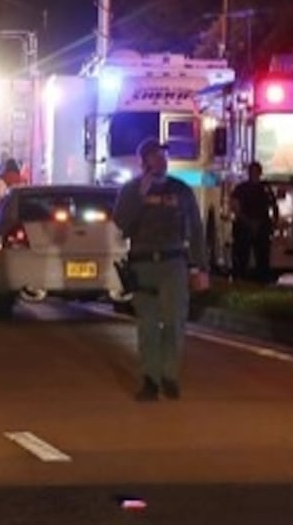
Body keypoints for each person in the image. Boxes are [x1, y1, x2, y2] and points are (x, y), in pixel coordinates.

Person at [112, 138, 209, 402]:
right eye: (155, 156)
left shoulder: (181, 190)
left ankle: (170, 375)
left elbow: (196, 230)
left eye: (164, 156)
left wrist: (200, 267)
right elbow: (121, 224)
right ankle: (150, 379)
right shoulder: (131, 190)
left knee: (175, 321)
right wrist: (140, 197)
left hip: (173, 262)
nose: (162, 160)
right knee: (148, 325)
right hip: (143, 264)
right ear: (144, 162)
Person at [229, 161, 277, 282]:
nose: (254, 174)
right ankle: (240, 279)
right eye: (252, 172)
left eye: (256, 172)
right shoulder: (240, 189)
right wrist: (248, 222)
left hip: (261, 227)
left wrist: (273, 223)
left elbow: (273, 206)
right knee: (241, 257)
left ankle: (261, 279)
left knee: (262, 258)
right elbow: (235, 207)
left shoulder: (265, 189)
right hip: (244, 227)